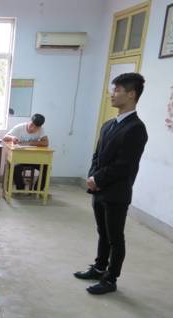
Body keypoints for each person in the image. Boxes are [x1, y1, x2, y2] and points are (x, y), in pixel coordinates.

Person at [74, 72, 148, 295]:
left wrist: (97, 179)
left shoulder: (136, 128)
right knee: (103, 232)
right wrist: (92, 177)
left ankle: (110, 279)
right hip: (99, 190)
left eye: (117, 90)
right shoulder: (108, 125)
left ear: (132, 94)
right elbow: (97, 156)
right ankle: (99, 268)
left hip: (116, 192)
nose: (112, 94)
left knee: (115, 237)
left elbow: (124, 165)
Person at [3, 113, 49, 190]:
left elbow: (46, 143)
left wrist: (30, 143)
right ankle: (21, 188)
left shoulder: (41, 130)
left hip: (33, 159)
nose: (32, 128)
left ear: (40, 127)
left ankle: (38, 190)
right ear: (29, 121)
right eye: (31, 125)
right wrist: (12, 137)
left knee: (46, 167)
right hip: (19, 159)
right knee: (15, 167)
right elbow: (5, 138)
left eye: (36, 127)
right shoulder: (20, 127)